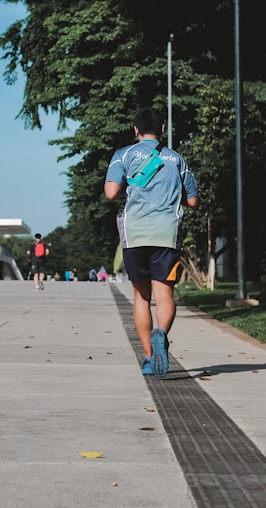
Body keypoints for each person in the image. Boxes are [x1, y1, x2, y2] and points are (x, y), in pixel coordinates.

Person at [105, 107, 198, 377]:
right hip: (167, 234)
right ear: (163, 129)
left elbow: (111, 193)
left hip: (134, 233)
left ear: (136, 130)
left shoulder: (122, 155)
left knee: (141, 296)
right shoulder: (177, 159)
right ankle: (161, 332)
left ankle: (148, 357)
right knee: (164, 293)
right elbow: (192, 201)